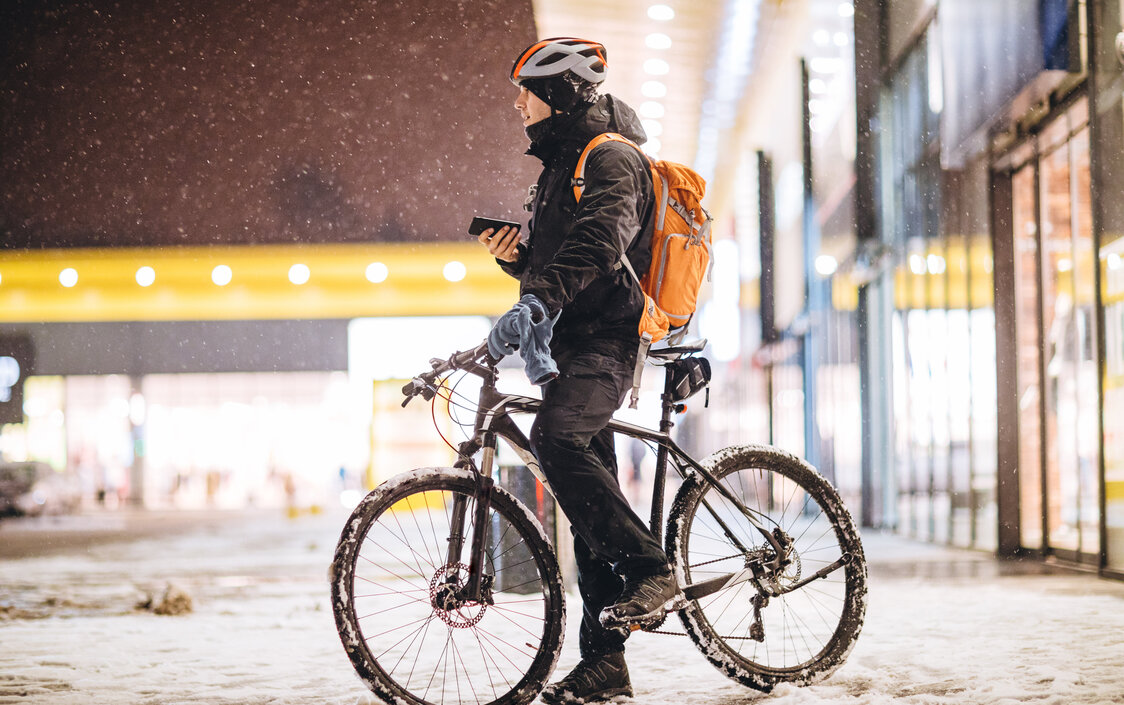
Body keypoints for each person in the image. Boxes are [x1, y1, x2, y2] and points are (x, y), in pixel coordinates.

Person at [478, 37, 681, 705]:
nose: (517, 103)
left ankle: (653, 568)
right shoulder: (559, 166)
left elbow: (603, 239)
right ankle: (605, 664)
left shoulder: (611, 156)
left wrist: (537, 297)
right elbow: (562, 256)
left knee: (557, 444)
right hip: (569, 345)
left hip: (607, 340)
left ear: (560, 93)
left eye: (526, 91)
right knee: (585, 504)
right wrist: (518, 260)